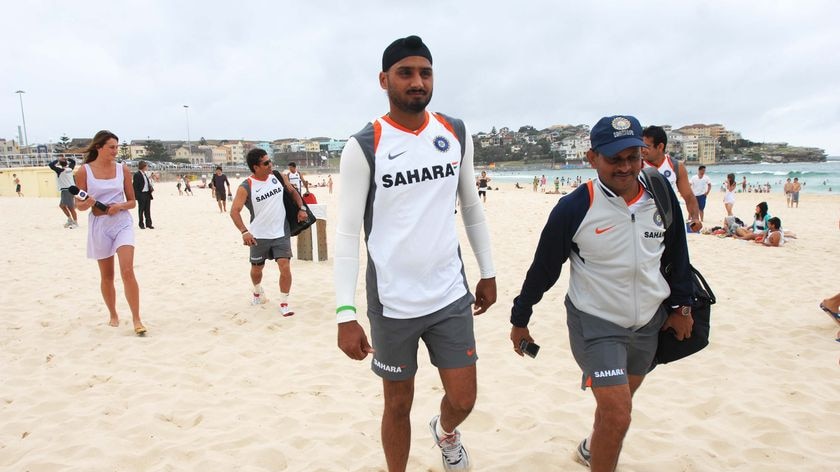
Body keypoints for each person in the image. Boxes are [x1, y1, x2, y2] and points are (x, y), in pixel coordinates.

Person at [334, 35, 496, 472]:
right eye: (406, 73)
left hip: (449, 295)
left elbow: (472, 206)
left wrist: (489, 270)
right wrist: (345, 314)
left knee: (464, 398)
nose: (417, 82)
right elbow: (347, 233)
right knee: (397, 404)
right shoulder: (363, 146)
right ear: (384, 79)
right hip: (392, 303)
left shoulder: (455, 132)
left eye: (425, 73)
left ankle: (445, 433)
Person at [510, 115, 692, 472]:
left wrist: (681, 307)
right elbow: (544, 269)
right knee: (619, 414)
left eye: (632, 157)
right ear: (592, 159)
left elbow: (677, 254)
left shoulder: (659, 193)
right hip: (596, 323)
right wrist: (520, 318)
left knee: (616, 408)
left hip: (648, 325)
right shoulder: (575, 208)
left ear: (643, 155)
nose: (625, 168)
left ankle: (592, 447)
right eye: (614, 159)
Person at [74, 130, 146, 335]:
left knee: (127, 270)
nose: (116, 151)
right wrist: (84, 203)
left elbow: (132, 201)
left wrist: (120, 206)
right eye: (111, 147)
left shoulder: (122, 169)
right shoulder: (84, 171)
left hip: (122, 222)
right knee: (107, 275)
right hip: (99, 224)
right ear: (99, 147)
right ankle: (113, 313)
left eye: (117, 147)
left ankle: (136, 318)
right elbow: (79, 205)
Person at [230, 148, 308, 316]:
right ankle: (257, 292)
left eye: (269, 161)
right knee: (257, 269)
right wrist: (244, 232)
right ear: (255, 167)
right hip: (259, 235)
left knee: (285, 266)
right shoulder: (246, 187)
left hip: (281, 232)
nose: (270, 164)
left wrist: (301, 208)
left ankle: (284, 302)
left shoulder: (277, 177)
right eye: (266, 163)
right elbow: (234, 211)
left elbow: (293, 191)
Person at [641, 125, 701, 231]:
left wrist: (695, 218)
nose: (642, 150)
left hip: (669, 221)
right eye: (641, 146)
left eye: (646, 146)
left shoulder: (676, 166)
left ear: (660, 146)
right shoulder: (638, 166)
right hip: (644, 222)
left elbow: (689, 196)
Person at [49, 156, 79, 228]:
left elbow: (51, 165)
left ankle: (75, 222)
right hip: (69, 189)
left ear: (60, 164)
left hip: (67, 190)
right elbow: (73, 162)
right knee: (62, 206)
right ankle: (70, 220)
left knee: (70, 207)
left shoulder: (60, 170)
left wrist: (58, 159)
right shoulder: (70, 169)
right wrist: (66, 158)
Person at [132, 161, 154, 229]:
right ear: (143, 166)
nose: (147, 167)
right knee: (141, 210)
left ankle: (148, 224)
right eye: (146, 166)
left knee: (147, 210)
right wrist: (137, 195)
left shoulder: (145, 174)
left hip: (147, 194)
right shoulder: (137, 174)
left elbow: (147, 183)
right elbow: (135, 186)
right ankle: (141, 224)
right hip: (141, 194)